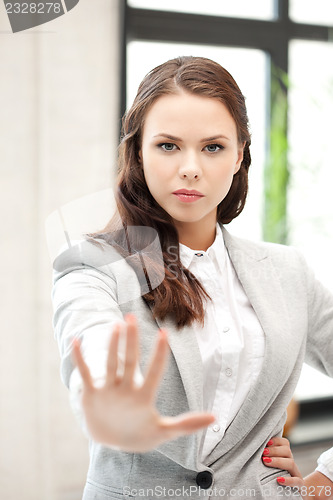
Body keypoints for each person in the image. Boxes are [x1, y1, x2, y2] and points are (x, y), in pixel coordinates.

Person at [52, 55, 333, 499]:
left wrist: (326, 481)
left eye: (213, 147)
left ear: (240, 155)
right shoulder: (91, 267)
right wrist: (105, 403)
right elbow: (90, 347)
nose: (190, 167)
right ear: (137, 151)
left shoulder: (287, 272)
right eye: (167, 145)